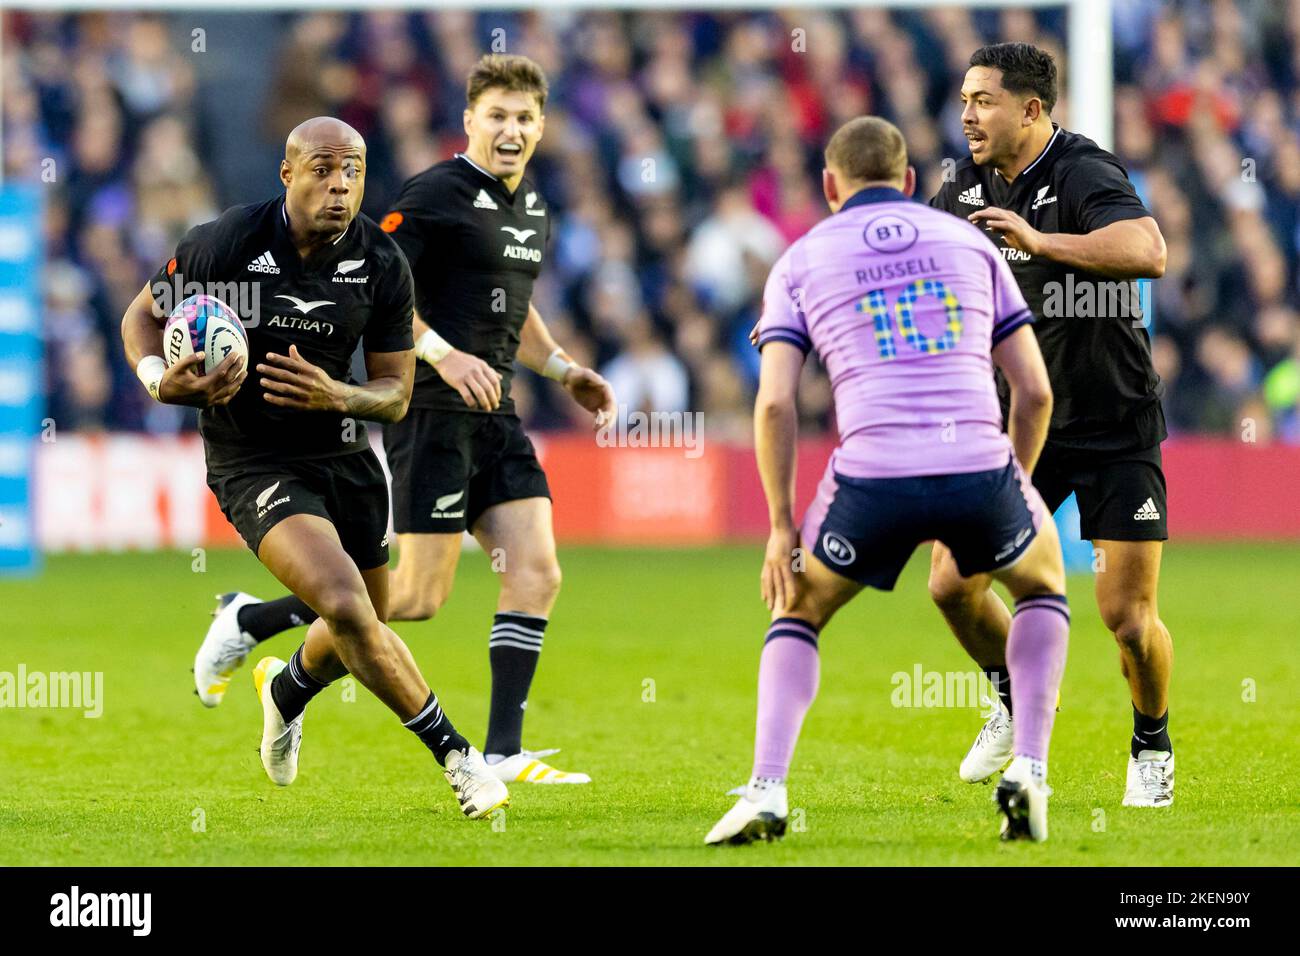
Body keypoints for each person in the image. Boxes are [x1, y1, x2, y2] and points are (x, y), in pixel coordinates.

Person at [192, 56, 615, 787]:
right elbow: (392, 292)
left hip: (498, 410)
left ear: (541, 127)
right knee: (409, 600)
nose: (510, 130)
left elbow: (515, 305)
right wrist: (443, 357)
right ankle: (256, 629)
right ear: (471, 121)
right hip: (434, 411)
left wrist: (561, 369)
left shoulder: (531, 210)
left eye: (523, 118)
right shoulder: (433, 197)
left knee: (538, 572)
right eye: (497, 116)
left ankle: (504, 749)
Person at [124, 116, 508, 819]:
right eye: (324, 169)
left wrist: (341, 395)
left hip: (345, 456)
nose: (340, 185)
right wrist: (160, 381)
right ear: (288, 173)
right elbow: (141, 319)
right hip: (254, 460)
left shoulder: (381, 264)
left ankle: (284, 690)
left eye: (354, 171)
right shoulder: (228, 245)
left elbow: (393, 397)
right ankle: (459, 756)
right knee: (346, 605)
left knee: (361, 623)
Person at [707, 116, 1068, 845]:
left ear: (829, 187)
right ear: (909, 182)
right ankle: (1029, 769)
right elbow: (1033, 390)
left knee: (798, 610)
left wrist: (781, 528)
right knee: (1041, 586)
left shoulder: (801, 260)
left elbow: (775, 400)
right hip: (975, 463)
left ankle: (768, 790)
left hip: (874, 474)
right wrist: (1017, 488)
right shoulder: (971, 242)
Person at [929, 43, 1173, 807]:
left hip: (1113, 419)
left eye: (984, 101)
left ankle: (1151, 742)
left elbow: (1149, 250)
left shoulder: (1082, 170)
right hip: (1022, 420)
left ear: (1031, 110)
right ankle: (1014, 693)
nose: (968, 113)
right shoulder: (959, 185)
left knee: (1126, 618)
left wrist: (1042, 243)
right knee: (951, 585)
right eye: (964, 99)